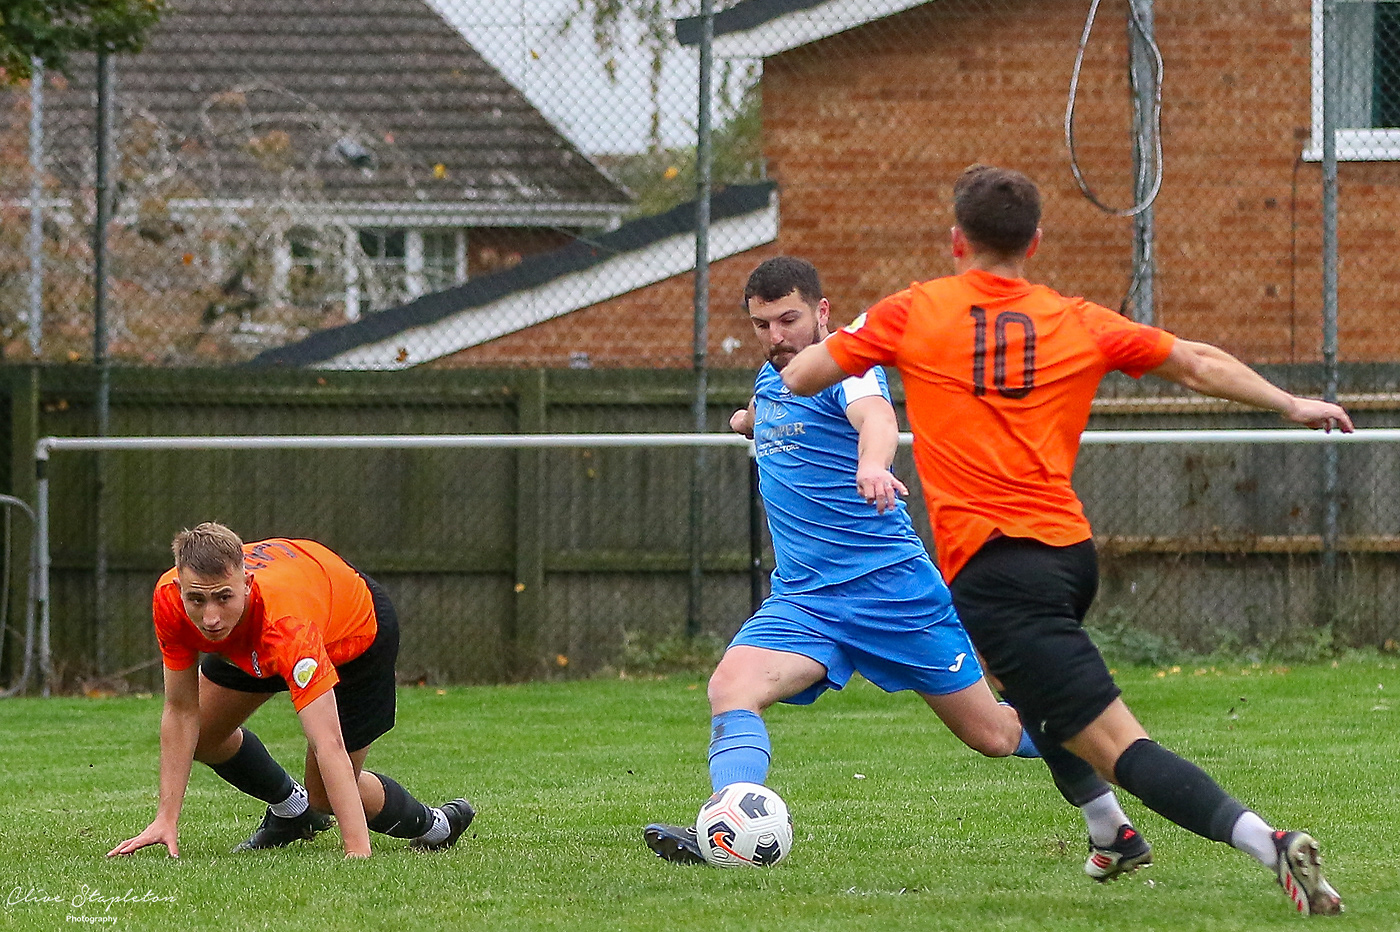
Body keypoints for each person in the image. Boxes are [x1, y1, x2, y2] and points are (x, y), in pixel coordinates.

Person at [780, 164, 1348, 915]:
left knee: (1118, 746)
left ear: (956, 240)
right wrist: (1290, 402)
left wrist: (858, 335)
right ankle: (1110, 833)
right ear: (1035, 242)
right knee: (1024, 689)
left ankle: (1269, 845)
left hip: (998, 566)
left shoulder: (913, 310)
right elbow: (1195, 361)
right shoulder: (1075, 319)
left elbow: (802, 376)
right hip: (1068, 555)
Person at [644, 256, 1041, 865]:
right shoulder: (771, 378)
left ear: (821, 311)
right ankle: (725, 828)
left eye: (789, 320)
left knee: (995, 735)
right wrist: (747, 422)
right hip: (804, 601)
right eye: (762, 325)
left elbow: (875, 416)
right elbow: (775, 416)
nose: (776, 336)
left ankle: (1101, 742)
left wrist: (873, 464)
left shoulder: (847, 366)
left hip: (891, 594)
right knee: (731, 686)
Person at [108, 523, 474, 859]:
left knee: (325, 793)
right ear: (179, 589)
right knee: (203, 735)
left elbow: (327, 742)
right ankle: (293, 812)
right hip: (264, 625)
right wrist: (165, 819)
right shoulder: (171, 600)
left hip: (353, 636)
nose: (211, 618)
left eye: (223, 597)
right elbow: (181, 711)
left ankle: (437, 825)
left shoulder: (287, 627)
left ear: (247, 584)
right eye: (197, 600)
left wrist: (357, 850)